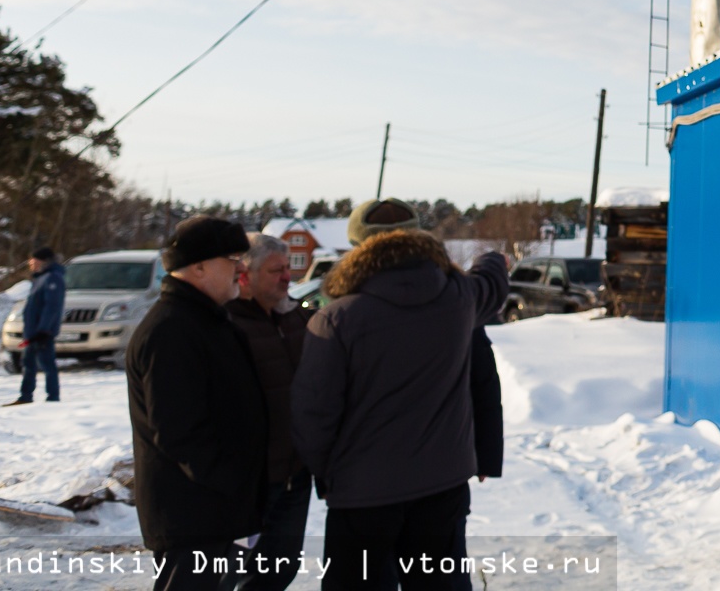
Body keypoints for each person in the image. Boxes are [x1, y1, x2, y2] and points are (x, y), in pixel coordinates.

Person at [292, 199, 508, 591]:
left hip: (362, 495)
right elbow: (493, 282)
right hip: (443, 486)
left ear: (357, 247)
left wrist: (330, 474)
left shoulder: (336, 318)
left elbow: (314, 414)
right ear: (417, 236)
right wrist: (493, 257)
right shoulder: (459, 298)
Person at [126, 216, 269, 591]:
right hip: (193, 516)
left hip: (217, 512)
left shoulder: (205, 321)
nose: (241, 267)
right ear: (199, 266)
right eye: (232, 258)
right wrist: (232, 481)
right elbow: (178, 431)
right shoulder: (171, 330)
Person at [225, 234, 311, 591]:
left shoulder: (299, 321)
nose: (287, 277)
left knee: (280, 571)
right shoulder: (226, 325)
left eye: (288, 268)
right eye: (276, 270)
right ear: (245, 274)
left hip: (295, 474)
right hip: (248, 482)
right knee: (229, 575)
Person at [8, 246, 65, 406]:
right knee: (28, 363)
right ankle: (26, 395)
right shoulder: (40, 278)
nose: (29, 263)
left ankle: (52, 397)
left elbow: (51, 306)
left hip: (41, 332)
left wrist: (44, 329)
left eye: (32, 260)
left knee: (47, 364)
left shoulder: (52, 278)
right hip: (33, 331)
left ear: (42, 261)